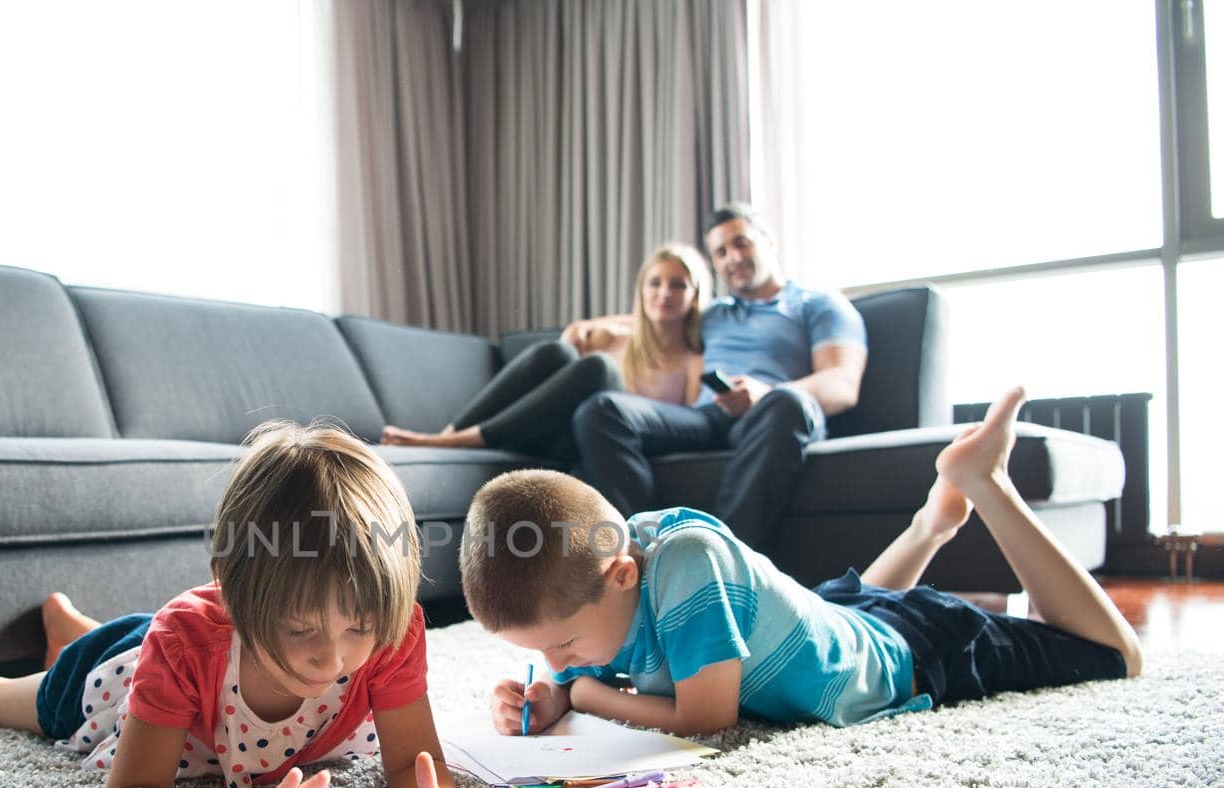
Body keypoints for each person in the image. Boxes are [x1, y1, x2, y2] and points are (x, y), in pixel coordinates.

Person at [0, 422, 475, 788]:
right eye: (301, 630)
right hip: (124, 672)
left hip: (172, 660)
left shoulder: (392, 627)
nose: (333, 658)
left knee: (148, 643)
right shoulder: (185, 642)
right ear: (230, 589)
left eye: (356, 629)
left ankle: (69, 623)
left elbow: (413, 766)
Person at [460, 386, 1142, 738]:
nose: (559, 662)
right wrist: (551, 695)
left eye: (563, 646)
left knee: (1114, 655)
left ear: (624, 575)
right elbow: (594, 655)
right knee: (850, 615)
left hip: (913, 653)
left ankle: (987, 483)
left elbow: (707, 719)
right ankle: (929, 525)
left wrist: (582, 696)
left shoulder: (690, 569)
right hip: (836, 620)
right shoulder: (603, 571)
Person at [571, 204, 868, 551]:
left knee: (789, 403)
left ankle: (722, 558)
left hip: (774, 414)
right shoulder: (712, 312)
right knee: (601, 410)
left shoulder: (818, 305)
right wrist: (588, 327)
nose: (732, 258)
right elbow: (651, 313)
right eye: (721, 252)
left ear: (769, 242)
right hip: (707, 417)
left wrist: (765, 393)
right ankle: (648, 552)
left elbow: (843, 383)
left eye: (741, 244)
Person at [378, 244, 710, 462]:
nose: (664, 293)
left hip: (594, 444)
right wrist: (601, 322)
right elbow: (568, 341)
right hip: (540, 431)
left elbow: (686, 425)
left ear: (695, 295)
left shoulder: (694, 361)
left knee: (599, 369)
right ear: (641, 291)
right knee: (557, 354)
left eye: (678, 285)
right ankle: (450, 435)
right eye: (655, 283)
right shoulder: (615, 336)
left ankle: (452, 442)